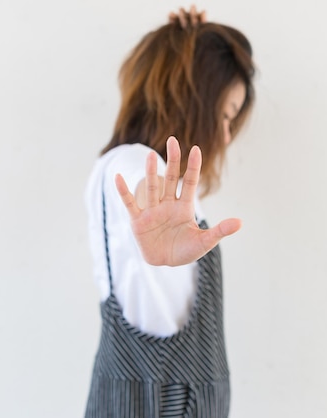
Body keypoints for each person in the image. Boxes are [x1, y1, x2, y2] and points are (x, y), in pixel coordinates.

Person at [84, 6, 255, 417]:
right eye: (227, 114)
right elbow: (136, 186)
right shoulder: (133, 164)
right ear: (195, 96)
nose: (227, 135)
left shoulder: (170, 188)